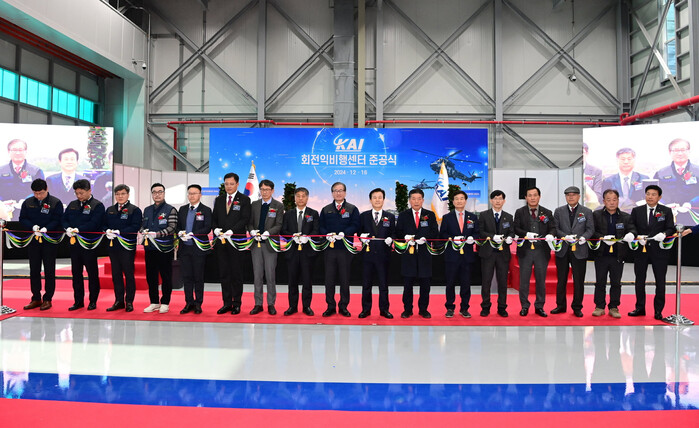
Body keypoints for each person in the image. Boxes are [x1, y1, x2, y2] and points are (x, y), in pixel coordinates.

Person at [629, 185, 675, 320]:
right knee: (639, 280)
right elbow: (631, 226)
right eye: (648, 194)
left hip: (659, 251)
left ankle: (658, 310)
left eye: (653, 194)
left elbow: (671, 228)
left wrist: (664, 234)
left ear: (659, 197)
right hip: (641, 249)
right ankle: (640, 308)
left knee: (660, 281)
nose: (650, 197)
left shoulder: (666, 211)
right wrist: (637, 236)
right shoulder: (637, 210)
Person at [18, 178, 63, 311]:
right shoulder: (28, 202)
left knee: (49, 270)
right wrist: (32, 227)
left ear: (46, 189)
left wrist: (46, 228)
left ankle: (48, 298)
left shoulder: (55, 202)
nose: (38, 196)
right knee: (34, 269)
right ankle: (36, 297)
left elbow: (58, 219)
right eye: (36, 193)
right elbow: (22, 218)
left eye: (41, 193)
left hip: (49, 241)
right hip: (33, 241)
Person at [591, 189, 636, 318]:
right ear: (603, 201)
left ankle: (614, 307)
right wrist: (602, 237)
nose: (612, 202)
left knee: (616, 283)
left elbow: (633, 229)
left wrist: (631, 234)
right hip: (601, 254)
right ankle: (599, 306)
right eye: (608, 200)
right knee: (600, 282)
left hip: (618, 255)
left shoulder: (625, 217)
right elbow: (592, 231)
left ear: (618, 201)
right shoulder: (596, 215)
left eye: (614, 200)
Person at [62, 179, 105, 311]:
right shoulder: (72, 204)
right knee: (76, 273)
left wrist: (79, 229)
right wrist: (67, 228)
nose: (79, 196)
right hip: (74, 245)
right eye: (76, 193)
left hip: (89, 244)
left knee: (92, 273)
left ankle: (93, 300)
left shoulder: (97, 205)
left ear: (89, 191)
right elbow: (64, 219)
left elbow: (95, 223)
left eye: (81, 193)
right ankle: (78, 301)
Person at [395, 188, 439, 318]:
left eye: (419, 199)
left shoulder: (430, 215)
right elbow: (398, 233)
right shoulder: (403, 215)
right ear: (409, 200)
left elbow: (435, 232)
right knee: (408, 285)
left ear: (423, 200)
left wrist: (426, 238)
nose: (416, 201)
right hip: (408, 256)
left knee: (425, 285)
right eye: (413, 199)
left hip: (425, 255)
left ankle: (423, 309)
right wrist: (405, 237)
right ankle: (407, 309)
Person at [212, 172, 251, 315]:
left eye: (231, 184)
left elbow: (245, 219)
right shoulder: (219, 199)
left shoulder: (244, 199)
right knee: (224, 274)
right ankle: (226, 303)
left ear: (237, 184)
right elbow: (214, 218)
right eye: (226, 184)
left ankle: (237, 303)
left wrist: (232, 231)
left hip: (236, 242)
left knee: (236, 274)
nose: (228, 186)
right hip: (221, 243)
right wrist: (215, 229)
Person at [551, 186, 594, 317]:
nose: (571, 197)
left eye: (573, 195)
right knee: (561, 279)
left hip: (580, 249)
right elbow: (555, 228)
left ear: (579, 196)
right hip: (563, 250)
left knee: (579, 280)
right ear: (565, 197)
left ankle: (577, 307)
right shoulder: (558, 211)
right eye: (568, 195)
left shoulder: (586, 211)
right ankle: (560, 305)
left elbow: (590, 229)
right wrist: (565, 236)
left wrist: (584, 237)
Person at [319, 182, 360, 317]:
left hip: (345, 249)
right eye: (335, 190)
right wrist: (326, 234)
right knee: (329, 279)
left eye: (341, 190)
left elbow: (356, 225)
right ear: (332, 193)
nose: (338, 193)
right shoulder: (326, 209)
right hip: (329, 249)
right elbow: (321, 226)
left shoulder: (352, 209)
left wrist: (345, 233)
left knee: (344, 279)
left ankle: (343, 306)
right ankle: (330, 306)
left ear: (345, 192)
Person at [513, 186, 555, 317]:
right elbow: (516, 228)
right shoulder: (520, 212)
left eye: (535, 195)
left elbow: (553, 227)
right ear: (526, 198)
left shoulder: (547, 212)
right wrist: (526, 234)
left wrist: (551, 234)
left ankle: (539, 306)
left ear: (539, 197)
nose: (532, 198)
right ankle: (524, 306)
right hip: (525, 251)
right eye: (529, 195)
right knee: (524, 281)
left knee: (541, 280)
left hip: (542, 251)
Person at [439, 190, 479, 318]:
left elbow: (477, 233)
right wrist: (451, 238)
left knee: (466, 283)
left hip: (467, 256)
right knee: (450, 283)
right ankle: (450, 307)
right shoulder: (447, 217)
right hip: (452, 256)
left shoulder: (472, 217)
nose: (459, 201)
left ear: (465, 201)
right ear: (453, 201)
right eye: (456, 199)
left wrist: (473, 238)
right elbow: (442, 234)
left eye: (462, 198)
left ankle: (464, 308)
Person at [247, 179, 284, 315]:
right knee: (257, 276)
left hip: (270, 244)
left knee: (270, 275)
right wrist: (251, 231)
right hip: (256, 244)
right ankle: (258, 304)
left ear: (272, 191)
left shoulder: (278, 205)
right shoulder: (254, 204)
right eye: (262, 189)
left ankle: (271, 304)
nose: (265, 192)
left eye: (267, 190)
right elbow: (249, 222)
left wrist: (268, 233)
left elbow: (279, 224)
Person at [281, 187, 319, 316]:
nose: (300, 198)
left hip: (307, 252)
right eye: (298, 196)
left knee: (307, 281)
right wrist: (292, 236)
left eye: (303, 196)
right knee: (292, 281)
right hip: (292, 252)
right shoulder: (288, 214)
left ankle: (306, 306)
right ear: (295, 198)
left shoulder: (313, 213)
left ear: (307, 198)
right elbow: (283, 231)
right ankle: (292, 306)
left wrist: (307, 237)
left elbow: (316, 230)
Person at [103, 184, 142, 313]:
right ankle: (118, 300)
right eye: (117, 194)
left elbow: (135, 226)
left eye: (123, 194)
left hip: (127, 247)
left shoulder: (134, 210)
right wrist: (107, 230)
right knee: (116, 274)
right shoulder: (110, 209)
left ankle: (129, 301)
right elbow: (103, 224)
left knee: (129, 274)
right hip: (113, 246)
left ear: (128, 195)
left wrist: (120, 232)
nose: (120, 196)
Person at [358, 188, 396, 319]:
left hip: (383, 256)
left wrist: (391, 239)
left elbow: (394, 233)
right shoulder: (364, 216)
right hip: (367, 256)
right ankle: (366, 309)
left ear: (383, 200)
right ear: (370, 200)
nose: (377, 200)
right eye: (374, 197)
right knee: (366, 285)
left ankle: (384, 310)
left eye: (380, 197)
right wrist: (361, 237)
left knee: (383, 285)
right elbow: (359, 232)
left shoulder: (390, 216)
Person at [141, 183, 177, 314]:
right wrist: (143, 231)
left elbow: (172, 227)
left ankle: (165, 302)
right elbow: (142, 225)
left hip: (164, 248)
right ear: (152, 194)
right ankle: (154, 302)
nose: (157, 194)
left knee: (166, 276)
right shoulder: (147, 210)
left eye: (160, 192)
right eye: (154, 192)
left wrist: (157, 234)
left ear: (164, 193)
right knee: (151, 276)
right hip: (149, 248)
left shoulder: (171, 209)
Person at [478, 190, 515, 317]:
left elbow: (511, 232)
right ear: (491, 200)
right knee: (486, 281)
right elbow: (481, 232)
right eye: (495, 198)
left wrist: (510, 237)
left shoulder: (508, 216)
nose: (497, 201)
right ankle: (485, 307)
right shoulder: (483, 215)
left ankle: (502, 307)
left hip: (502, 254)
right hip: (487, 253)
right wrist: (492, 236)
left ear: (504, 201)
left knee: (503, 282)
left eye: (500, 199)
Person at [177, 184, 212, 315]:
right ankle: (189, 302)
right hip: (185, 248)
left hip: (198, 248)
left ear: (200, 195)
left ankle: (198, 303)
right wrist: (180, 233)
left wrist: (194, 234)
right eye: (190, 193)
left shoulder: (206, 210)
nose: (191, 196)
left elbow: (207, 227)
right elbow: (178, 226)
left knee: (198, 277)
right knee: (187, 277)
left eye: (194, 193)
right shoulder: (182, 209)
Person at [0, 139, 45, 220]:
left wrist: (27, 201)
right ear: (8, 152)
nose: (17, 153)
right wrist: (2, 203)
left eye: (20, 150)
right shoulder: (1, 170)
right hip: (4, 213)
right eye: (14, 150)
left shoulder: (36, 171)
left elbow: (42, 191)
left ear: (25, 151)